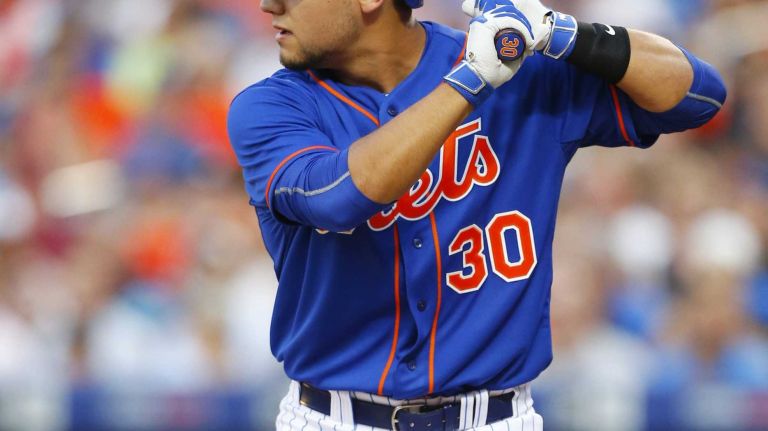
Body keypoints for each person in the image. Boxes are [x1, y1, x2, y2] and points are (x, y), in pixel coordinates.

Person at [226, 0, 725, 429]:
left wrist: (560, 32)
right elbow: (339, 197)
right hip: (332, 416)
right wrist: (470, 80)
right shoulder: (270, 106)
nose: (269, 4)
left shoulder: (517, 73)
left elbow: (698, 97)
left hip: (497, 416)